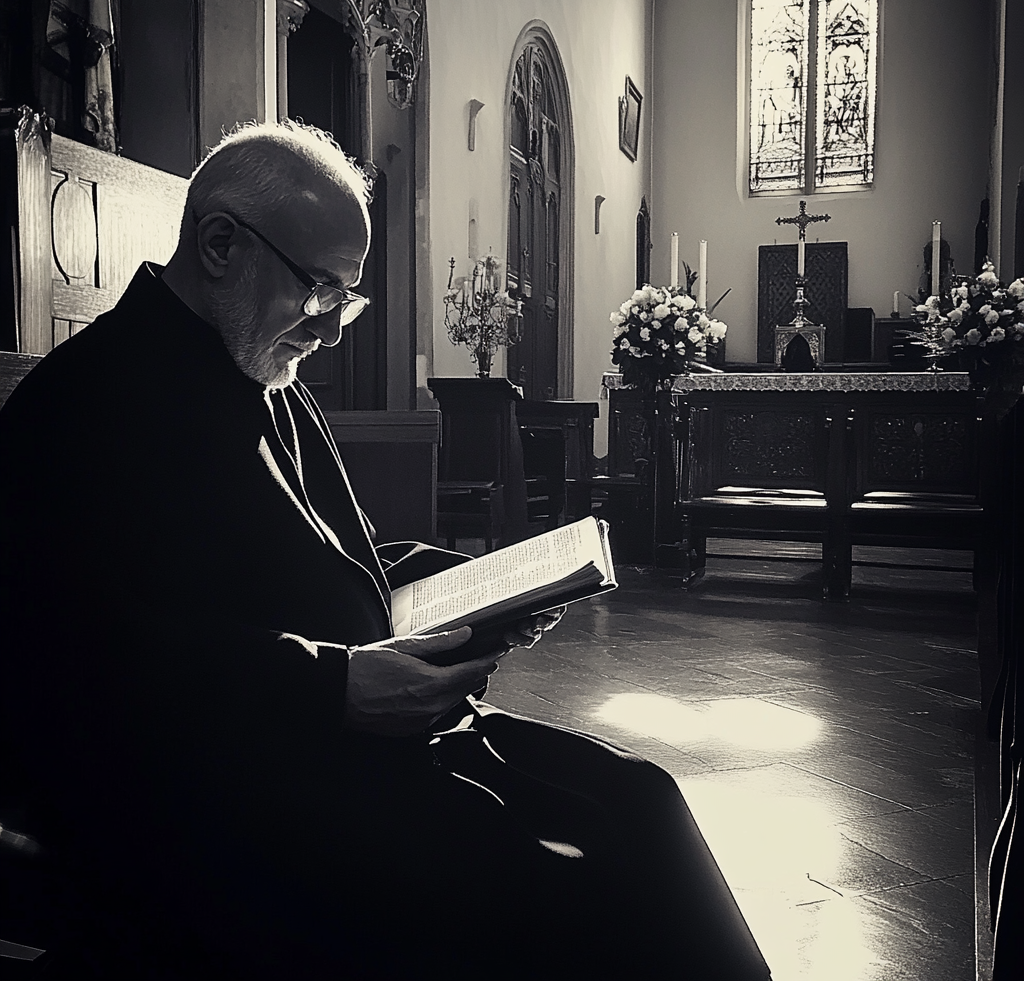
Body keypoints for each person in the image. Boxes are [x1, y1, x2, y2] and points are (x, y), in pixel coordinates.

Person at [0, 121, 772, 980]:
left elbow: (338, 555)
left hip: (360, 740)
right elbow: (82, 663)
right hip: (224, 786)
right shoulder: (82, 406)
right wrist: (333, 686)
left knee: (641, 800)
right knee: (540, 885)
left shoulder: (260, 369)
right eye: (319, 291)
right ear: (221, 243)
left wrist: (480, 587)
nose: (331, 332)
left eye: (347, 299)